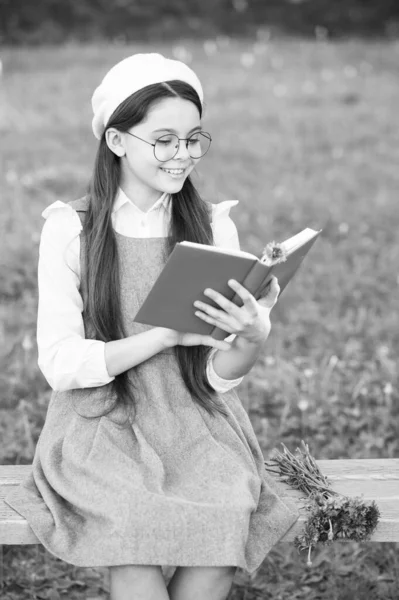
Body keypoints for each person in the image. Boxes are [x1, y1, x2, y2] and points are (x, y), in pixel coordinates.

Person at [4, 53, 299, 600]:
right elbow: (62, 363)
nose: (182, 155)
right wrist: (163, 335)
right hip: (101, 424)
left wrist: (252, 339)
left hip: (197, 422)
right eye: (163, 139)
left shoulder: (212, 224)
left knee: (223, 518)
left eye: (193, 139)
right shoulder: (72, 229)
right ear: (117, 141)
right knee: (133, 525)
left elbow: (216, 377)